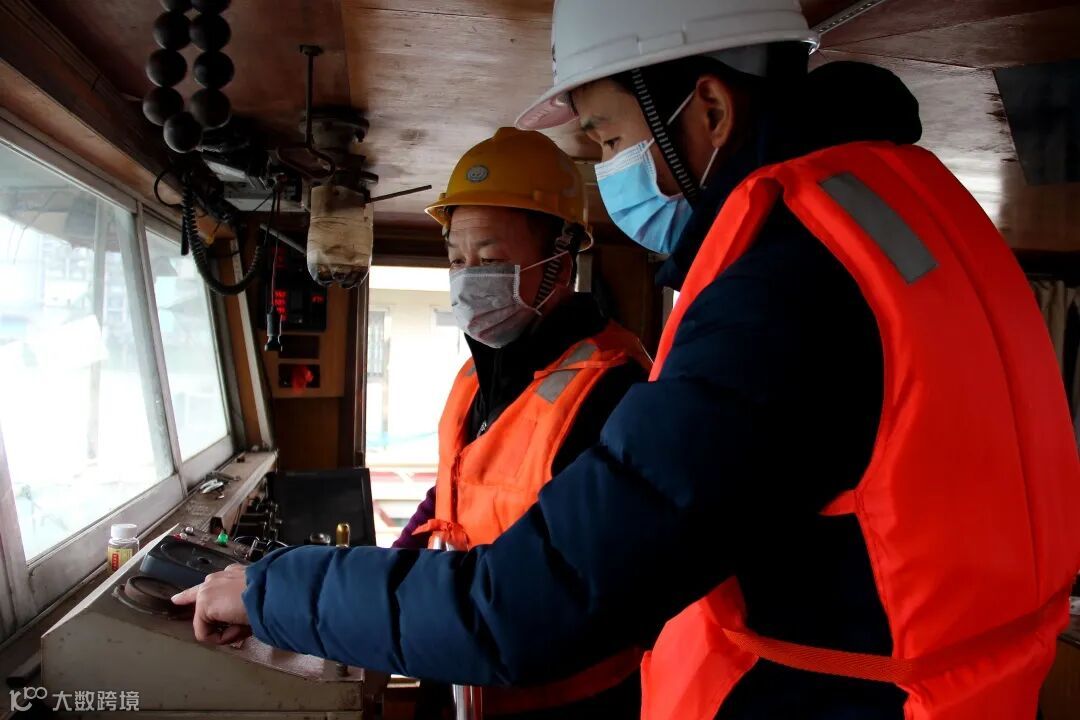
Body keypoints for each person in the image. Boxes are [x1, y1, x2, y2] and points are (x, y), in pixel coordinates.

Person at [174, 2, 1080, 718]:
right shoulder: (913, 214)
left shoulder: (784, 291)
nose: (613, 171)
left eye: (609, 138)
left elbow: (530, 603)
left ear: (710, 108)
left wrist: (272, 589)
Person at [393, 127, 650, 718]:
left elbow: (585, 575)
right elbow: (460, 488)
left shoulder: (613, 386)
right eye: (457, 259)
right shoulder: (477, 373)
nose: (467, 278)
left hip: (562, 697)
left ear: (561, 260)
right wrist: (402, 559)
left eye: (490, 260)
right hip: (465, 670)